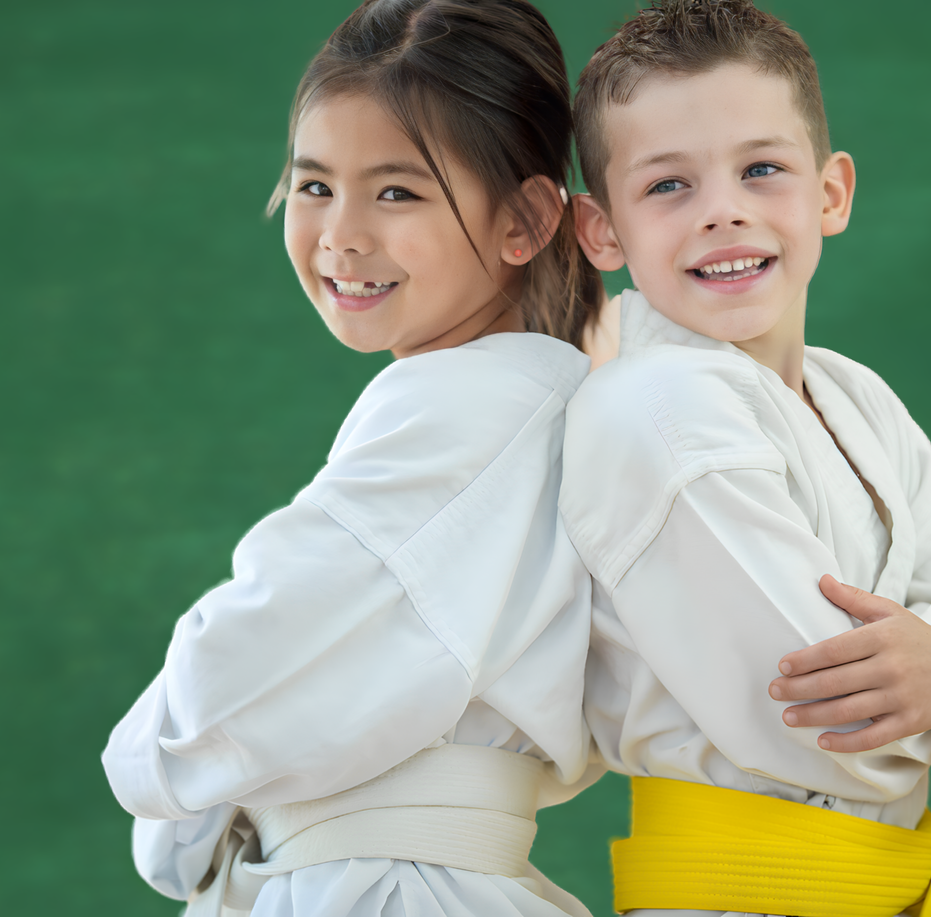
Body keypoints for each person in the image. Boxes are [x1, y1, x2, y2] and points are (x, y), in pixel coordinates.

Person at [560, 1, 931, 914]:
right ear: (602, 231)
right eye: (668, 186)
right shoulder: (654, 408)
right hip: (748, 890)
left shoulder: (855, 396)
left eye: (762, 170)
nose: (724, 212)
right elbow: (831, 716)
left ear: (830, 193)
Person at [101, 2, 606, 915]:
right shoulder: (542, 401)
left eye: (398, 191)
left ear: (526, 218)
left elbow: (218, 693)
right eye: (313, 185)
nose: (340, 233)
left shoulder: (467, 406)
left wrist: (153, 766)